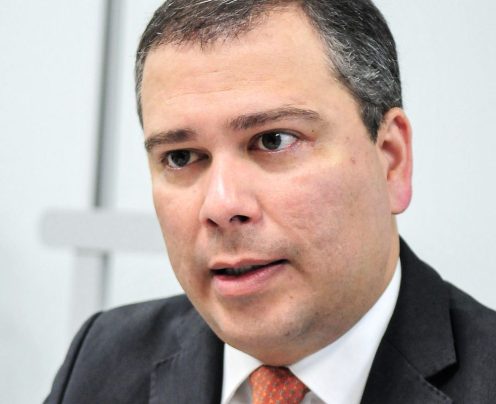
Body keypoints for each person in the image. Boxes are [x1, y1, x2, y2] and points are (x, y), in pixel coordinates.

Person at [45, 1, 496, 403]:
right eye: (181, 157)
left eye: (273, 140)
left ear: (391, 159)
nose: (221, 205)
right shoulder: (102, 359)